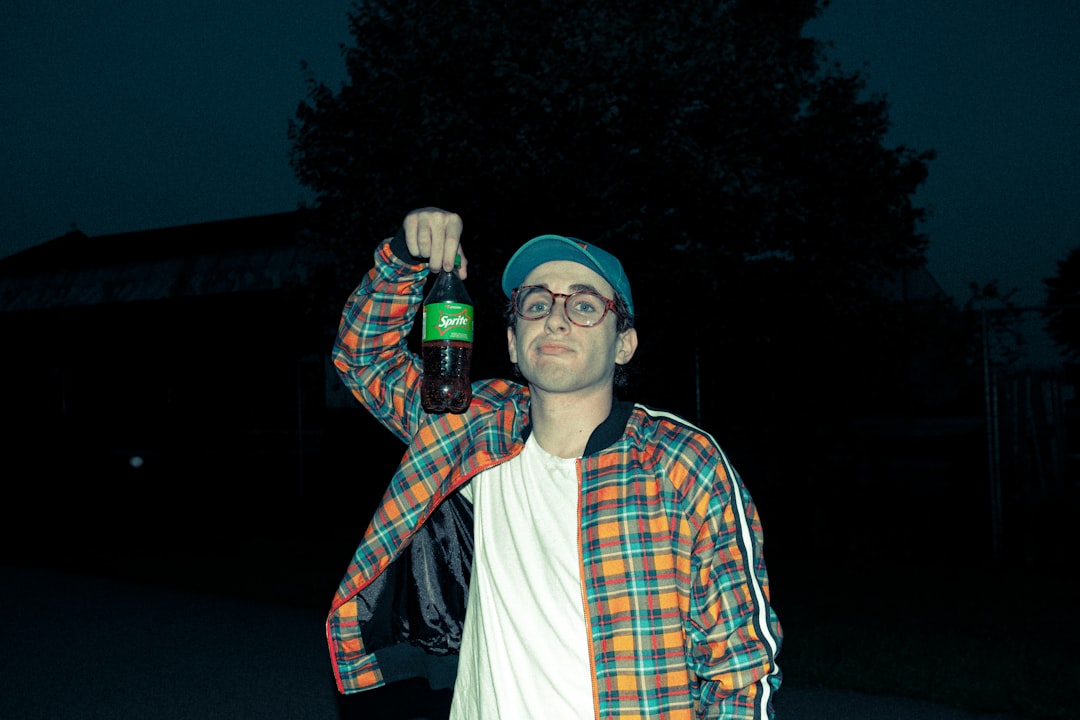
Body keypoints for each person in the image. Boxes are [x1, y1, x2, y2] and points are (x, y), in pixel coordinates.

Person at [326, 207, 783, 719]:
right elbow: (363, 358)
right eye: (536, 303)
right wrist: (404, 258)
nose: (555, 318)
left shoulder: (679, 462)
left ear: (624, 344)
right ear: (512, 343)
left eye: (585, 305)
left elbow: (740, 672)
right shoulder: (474, 428)